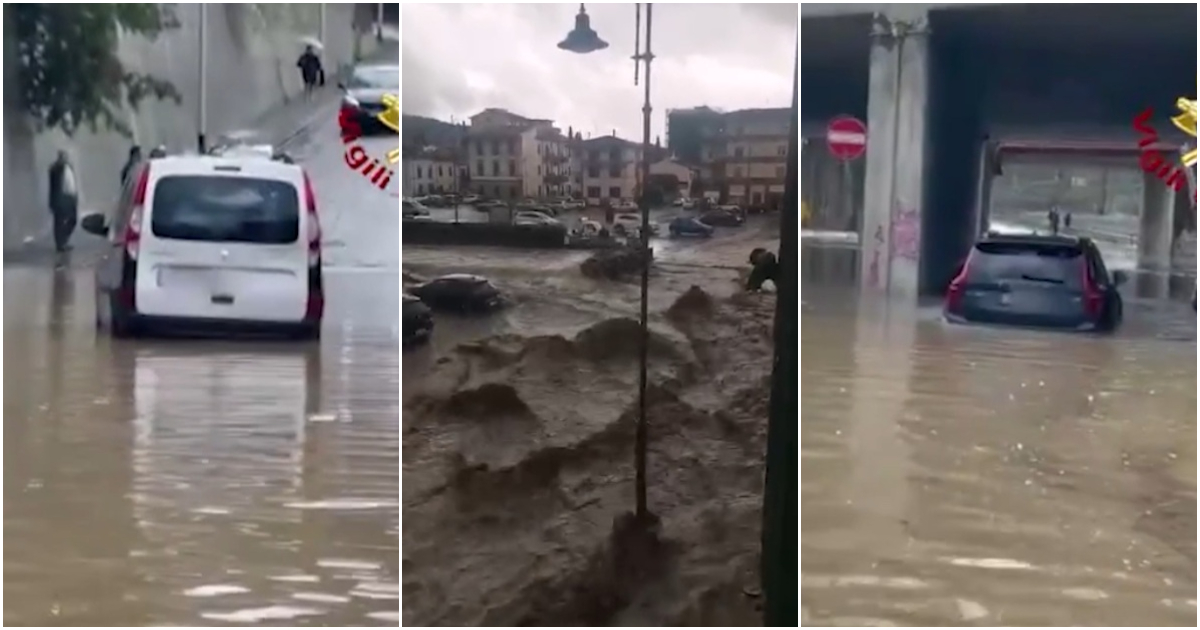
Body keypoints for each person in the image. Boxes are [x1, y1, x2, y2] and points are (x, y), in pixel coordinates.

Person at [47, 150, 79, 253]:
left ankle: (64, 240)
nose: (64, 159)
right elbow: (54, 186)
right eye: (62, 157)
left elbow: (72, 183)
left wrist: (75, 196)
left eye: (65, 157)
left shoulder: (68, 167)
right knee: (59, 222)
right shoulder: (55, 169)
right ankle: (60, 244)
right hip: (59, 199)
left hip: (70, 197)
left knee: (73, 220)